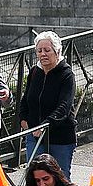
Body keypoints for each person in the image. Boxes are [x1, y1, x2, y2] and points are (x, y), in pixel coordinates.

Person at [16, 31, 77, 173]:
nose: (43, 54)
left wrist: (45, 125)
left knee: (60, 178)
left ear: (57, 51)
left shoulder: (67, 75)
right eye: (39, 51)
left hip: (60, 136)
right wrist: (23, 118)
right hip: (34, 134)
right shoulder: (34, 72)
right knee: (35, 176)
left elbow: (64, 106)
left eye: (47, 50)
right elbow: (26, 99)